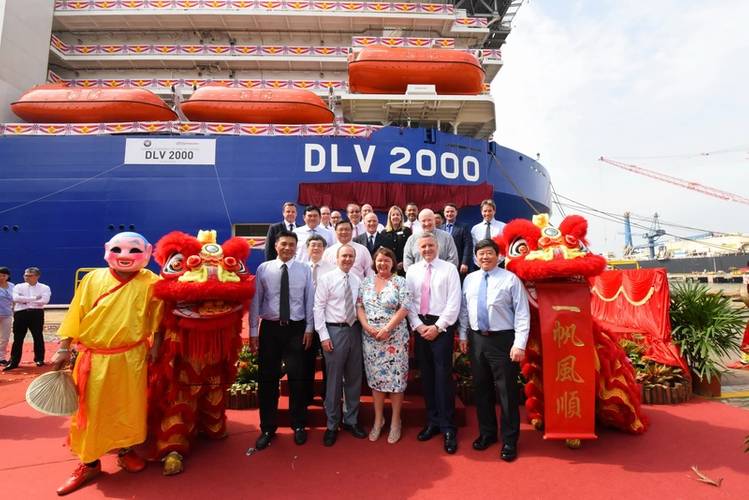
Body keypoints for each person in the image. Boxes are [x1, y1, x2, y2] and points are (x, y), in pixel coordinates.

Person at [51, 232, 162, 495]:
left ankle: (125, 450)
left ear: (146, 252)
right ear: (106, 249)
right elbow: (75, 313)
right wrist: (64, 347)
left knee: (128, 406)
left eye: (134, 251)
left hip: (131, 357)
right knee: (90, 411)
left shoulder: (151, 282)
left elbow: (158, 322)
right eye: (118, 249)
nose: (125, 256)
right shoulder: (93, 278)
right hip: (94, 358)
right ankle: (88, 462)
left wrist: (156, 349)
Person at [458, 238, 530, 462]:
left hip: (503, 340)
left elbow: (522, 313)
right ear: (476, 257)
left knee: (506, 392)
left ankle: (510, 439)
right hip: (477, 339)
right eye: (481, 254)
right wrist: (463, 335)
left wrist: (519, 344)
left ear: (498, 256)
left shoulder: (510, 279)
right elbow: (464, 310)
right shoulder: (469, 279)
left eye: (489, 253)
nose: (485, 257)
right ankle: (487, 433)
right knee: (482, 389)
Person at [251, 230, 315, 450]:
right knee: (267, 378)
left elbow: (309, 300)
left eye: (292, 245)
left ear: (296, 247)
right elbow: (256, 300)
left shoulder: (304, 269)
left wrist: (309, 328)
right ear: (276, 246)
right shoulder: (263, 269)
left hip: (297, 329)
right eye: (284, 244)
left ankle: (298, 424)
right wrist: (252, 332)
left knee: (298, 378)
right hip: (270, 328)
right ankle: (268, 428)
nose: (288, 248)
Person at [405, 232, 461, 454]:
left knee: (443, 377)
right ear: (418, 249)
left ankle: (448, 426)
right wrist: (419, 327)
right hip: (420, 327)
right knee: (426, 376)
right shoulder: (412, 271)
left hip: (442, 328)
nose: (427, 249)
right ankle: (433, 421)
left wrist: (438, 327)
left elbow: (454, 302)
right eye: (423, 246)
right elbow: (408, 302)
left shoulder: (449, 269)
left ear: (437, 246)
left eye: (430, 245)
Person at [356, 247, 411, 444]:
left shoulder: (400, 282)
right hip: (371, 339)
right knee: (376, 381)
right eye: (379, 260)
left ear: (393, 263)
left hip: (394, 339)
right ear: (374, 262)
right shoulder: (366, 282)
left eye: (387, 261)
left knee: (396, 381)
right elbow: (359, 306)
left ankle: (396, 421)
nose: (383, 264)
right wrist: (365, 326)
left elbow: (405, 307)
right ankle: (378, 420)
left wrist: (387, 328)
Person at [314, 244, 367, 446]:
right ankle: (332, 423)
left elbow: (360, 306)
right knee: (334, 380)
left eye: (350, 256)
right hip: (334, 331)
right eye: (344, 256)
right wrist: (324, 336)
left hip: (354, 330)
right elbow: (318, 307)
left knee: (354, 378)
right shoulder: (326, 279)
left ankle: (351, 420)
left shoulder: (357, 280)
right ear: (337, 258)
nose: (347, 259)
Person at [304, 234, 335, 404]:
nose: (315, 248)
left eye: (319, 245)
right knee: (306, 360)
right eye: (312, 245)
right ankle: (307, 395)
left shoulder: (332, 269)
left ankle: (327, 395)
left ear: (324, 249)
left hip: (326, 320)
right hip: (306, 320)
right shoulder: (301, 268)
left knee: (328, 361)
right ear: (307, 248)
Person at [4, 267, 51, 371]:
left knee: (38, 336)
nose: (27, 277)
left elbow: (45, 300)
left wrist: (24, 300)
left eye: (30, 276)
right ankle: (14, 361)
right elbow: (16, 298)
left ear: (37, 276)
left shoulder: (44, 287)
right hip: (21, 313)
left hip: (36, 314)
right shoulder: (18, 286)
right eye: (25, 275)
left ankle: (39, 359)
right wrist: (34, 298)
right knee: (18, 338)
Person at [379, 205, 412, 275]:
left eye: (398, 215)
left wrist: (404, 262)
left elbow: (410, 249)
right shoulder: (383, 233)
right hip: (388, 268)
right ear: (390, 217)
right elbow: (382, 251)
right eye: (393, 215)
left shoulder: (407, 231)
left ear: (401, 217)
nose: (395, 217)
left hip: (404, 268)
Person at [442, 203, 473, 277]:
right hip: (442, 263)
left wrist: (464, 263)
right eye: (447, 212)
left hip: (459, 264)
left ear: (456, 212)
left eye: (452, 211)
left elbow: (468, 246)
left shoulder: (463, 227)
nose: (449, 213)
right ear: (444, 213)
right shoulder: (440, 228)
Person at [470, 199, 504, 266]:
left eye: (490, 211)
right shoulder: (475, 229)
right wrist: (479, 262)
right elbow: (474, 248)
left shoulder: (503, 227)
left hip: (499, 264)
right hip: (479, 265)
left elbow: (506, 247)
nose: (487, 213)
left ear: (494, 211)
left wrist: (496, 261)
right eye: (485, 211)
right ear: (481, 212)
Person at [0, 267, 13, 366]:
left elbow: (16, 300)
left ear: (8, 276)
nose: (1, 277)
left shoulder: (12, 286)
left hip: (7, 314)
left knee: (4, 338)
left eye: (4, 275)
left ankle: (1, 357)